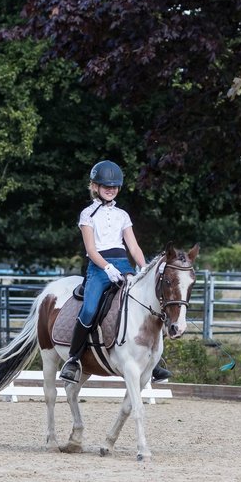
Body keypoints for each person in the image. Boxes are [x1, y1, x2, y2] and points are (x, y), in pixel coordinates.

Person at [60, 160, 172, 384]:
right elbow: (91, 250)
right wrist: (107, 267)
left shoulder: (122, 215)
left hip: (123, 265)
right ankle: (73, 359)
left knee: (146, 304)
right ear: (94, 186)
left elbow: (134, 246)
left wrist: (145, 268)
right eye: (105, 186)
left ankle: (154, 360)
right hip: (99, 267)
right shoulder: (87, 215)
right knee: (90, 309)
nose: (110, 189)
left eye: (113, 186)